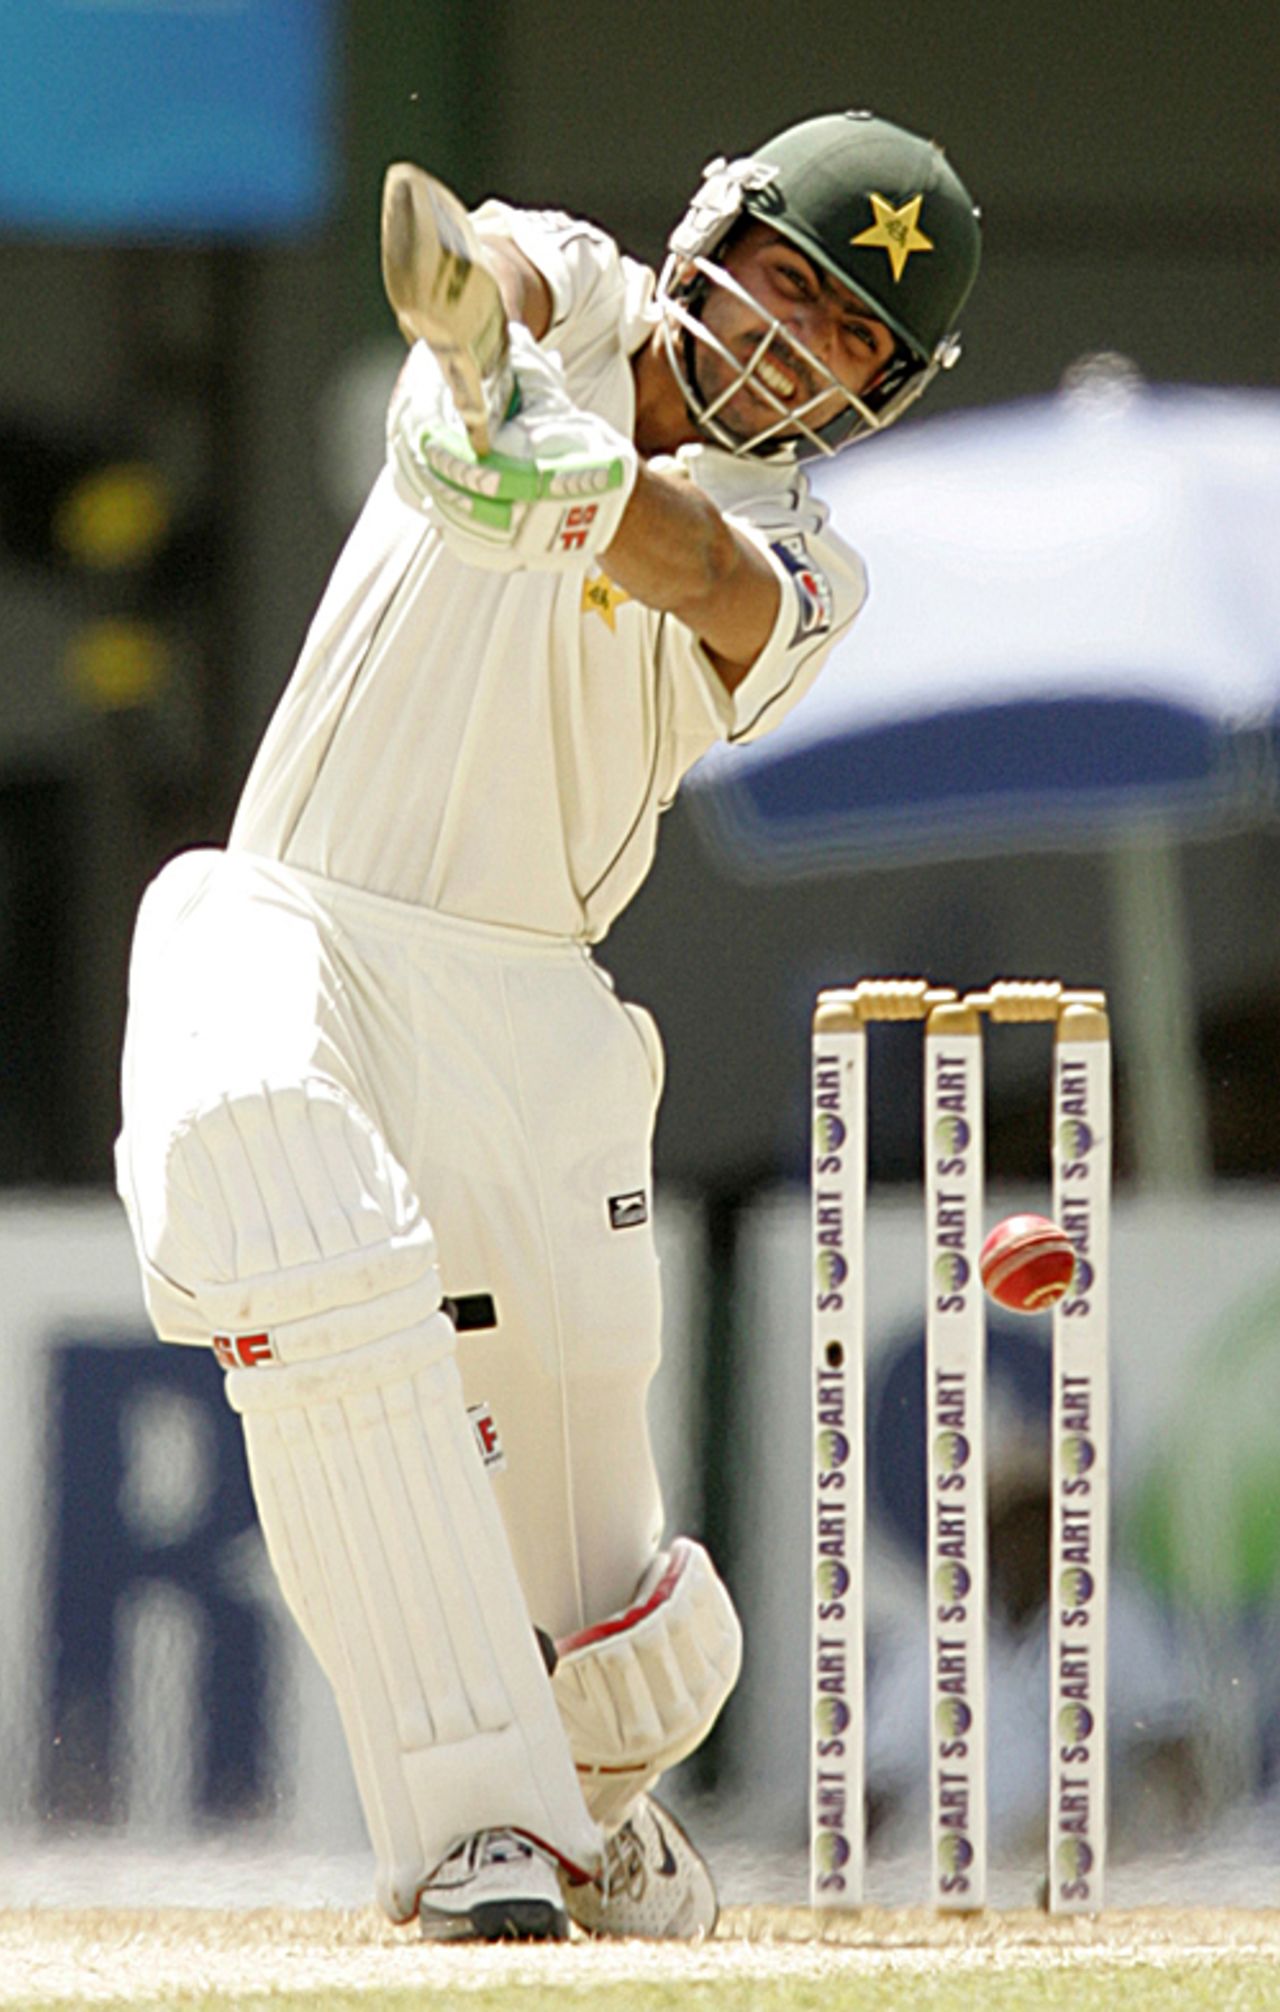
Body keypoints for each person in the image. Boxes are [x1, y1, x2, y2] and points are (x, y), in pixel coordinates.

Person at [114, 109, 981, 1942]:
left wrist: (574, 496)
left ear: (877, 399)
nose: (792, 347)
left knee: (645, 1654)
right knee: (273, 1177)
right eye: (788, 287)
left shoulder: (812, 564)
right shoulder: (569, 281)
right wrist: (473, 389)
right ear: (706, 240)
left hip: (537, 1020)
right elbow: (483, 293)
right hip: (301, 913)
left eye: (847, 344)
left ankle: (592, 1808)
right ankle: (478, 1839)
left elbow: (708, 583)